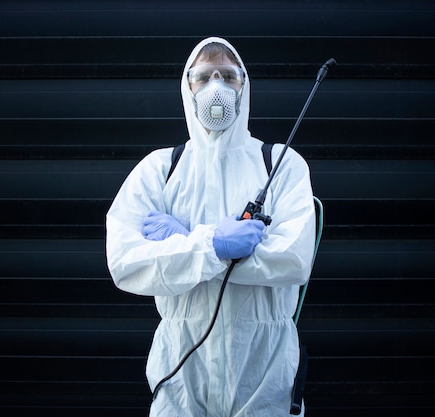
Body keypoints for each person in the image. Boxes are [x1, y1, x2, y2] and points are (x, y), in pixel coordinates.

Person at [106, 37, 315, 417]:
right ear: (187, 87)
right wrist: (213, 244)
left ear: (243, 86)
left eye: (228, 76)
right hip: (182, 370)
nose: (215, 85)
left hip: (263, 369)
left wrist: (184, 242)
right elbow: (126, 262)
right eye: (203, 77)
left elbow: (293, 260)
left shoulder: (281, 164)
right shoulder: (159, 170)